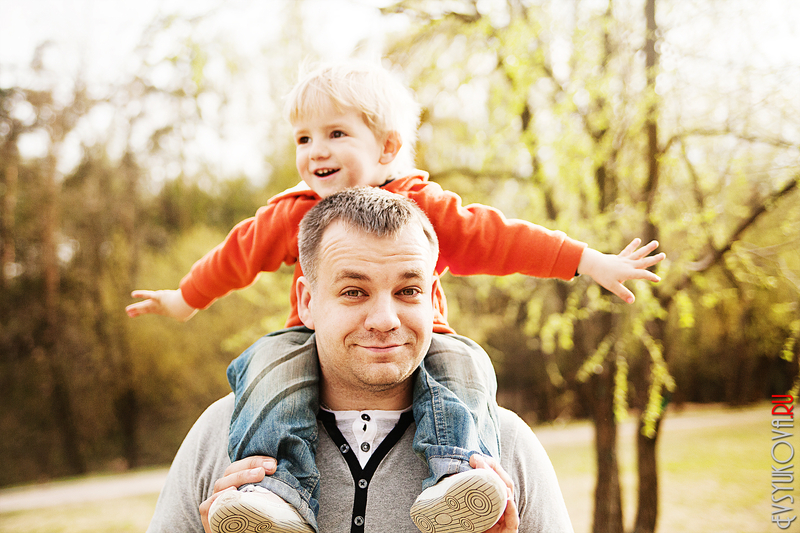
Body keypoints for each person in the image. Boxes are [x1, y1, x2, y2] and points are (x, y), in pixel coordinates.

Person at [129, 61, 664, 533]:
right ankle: (274, 491)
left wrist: (584, 260)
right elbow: (235, 256)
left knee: (467, 369)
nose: (316, 151)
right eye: (303, 139)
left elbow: (500, 238)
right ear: (309, 296)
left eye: (336, 133)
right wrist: (184, 299)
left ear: (387, 147)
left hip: (438, 349)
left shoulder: (424, 206)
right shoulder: (292, 213)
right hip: (300, 343)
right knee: (266, 367)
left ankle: (457, 478)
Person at [146, 187, 574, 533]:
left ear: (434, 299)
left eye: (408, 291)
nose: (385, 320)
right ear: (307, 302)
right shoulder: (221, 436)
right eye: (354, 292)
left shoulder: (501, 446)